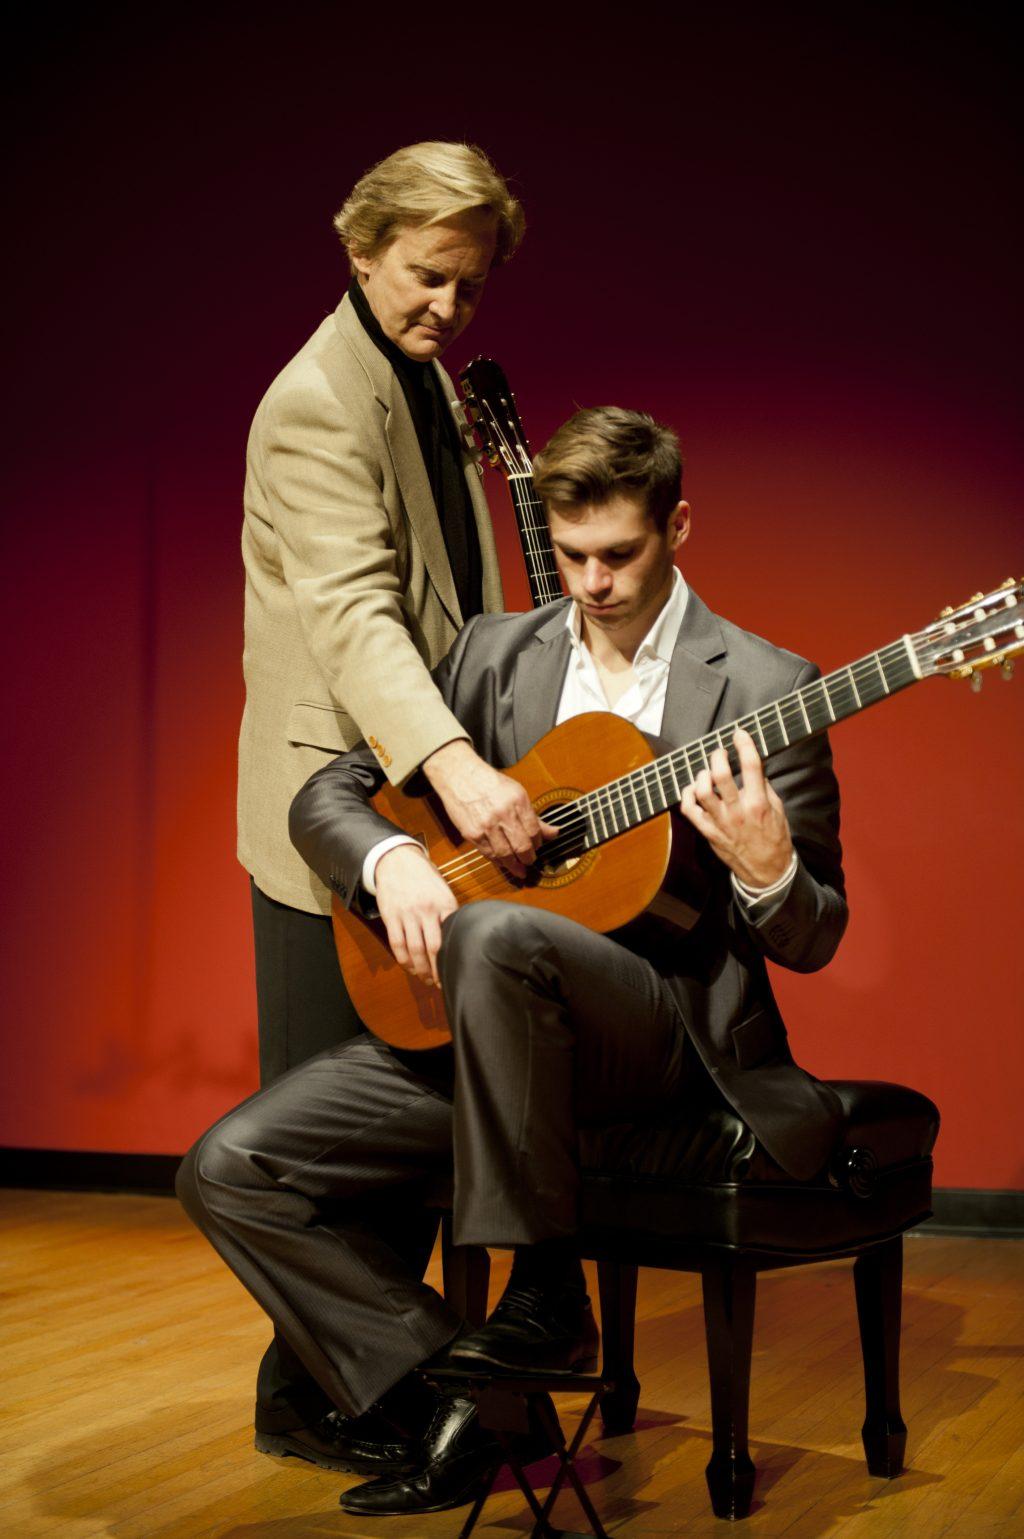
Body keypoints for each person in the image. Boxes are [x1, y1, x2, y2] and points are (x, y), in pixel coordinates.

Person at [181, 408, 848, 1516]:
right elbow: (325, 795)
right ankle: (472, 1404)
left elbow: (816, 934)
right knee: (232, 1169)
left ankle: (546, 1292)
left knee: (495, 930)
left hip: (659, 1038)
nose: (590, 581)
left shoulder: (766, 686)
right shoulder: (497, 654)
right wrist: (391, 857)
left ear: (676, 526)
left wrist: (772, 869)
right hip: (484, 1035)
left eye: (620, 554)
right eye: (572, 553)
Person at [237, 140, 544, 1460]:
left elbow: (456, 613)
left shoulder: (419, 388)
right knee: (320, 1145)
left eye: (469, 289)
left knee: (410, 1135)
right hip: (334, 820)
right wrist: (461, 767)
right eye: (427, 277)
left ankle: (336, 1388)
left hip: (413, 808)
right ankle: (328, 1397)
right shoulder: (316, 400)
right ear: (359, 250)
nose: (447, 311)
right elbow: (360, 616)